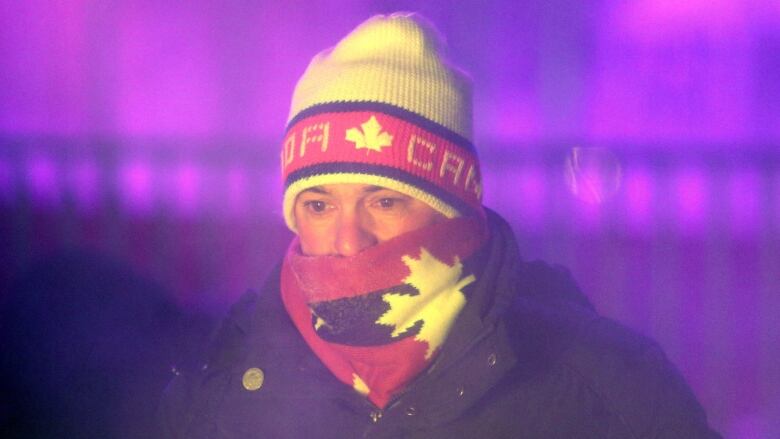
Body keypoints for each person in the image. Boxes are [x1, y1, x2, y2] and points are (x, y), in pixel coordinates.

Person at [159, 13, 720, 438]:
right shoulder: (223, 378)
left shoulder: (602, 387)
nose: (348, 242)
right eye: (319, 205)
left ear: (455, 204)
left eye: (384, 201)